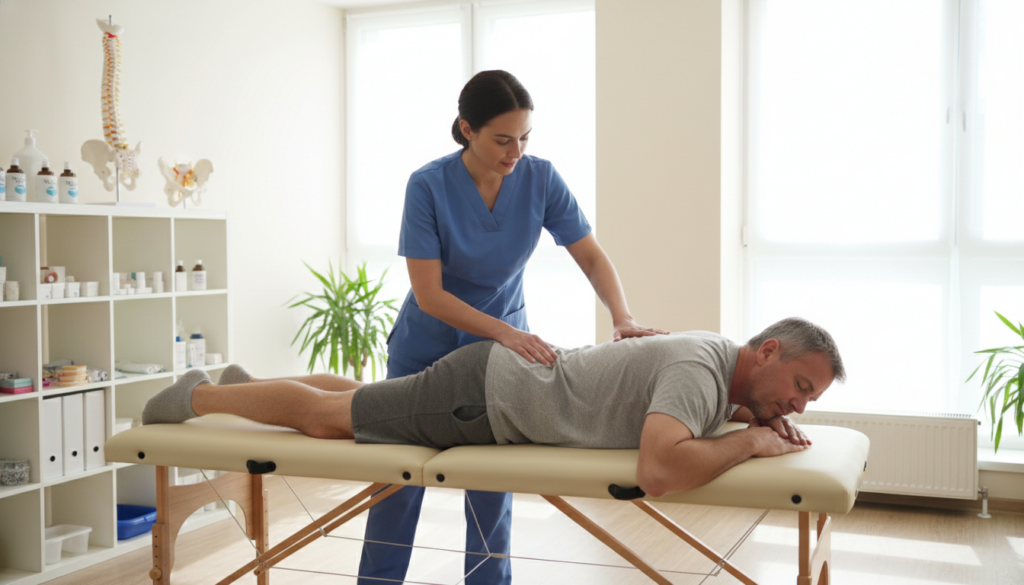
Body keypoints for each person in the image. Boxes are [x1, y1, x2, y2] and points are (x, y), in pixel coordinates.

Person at [371, 68, 665, 583]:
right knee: (396, 486)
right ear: (467, 129)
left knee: (490, 487)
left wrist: (623, 317)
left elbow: (592, 258)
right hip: (426, 346)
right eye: (502, 139)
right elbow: (429, 294)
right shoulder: (428, 185)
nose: (516, 152)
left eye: (525, 137)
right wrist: (506, 332)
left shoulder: (540, 178)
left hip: (496, 359)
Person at [143, 317, 846, 500]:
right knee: (335, 418)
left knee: (362, 398)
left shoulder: (719, 366)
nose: (798, 405)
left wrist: (752, 419)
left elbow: (695, 421)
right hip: (481, 402)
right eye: (801, 385)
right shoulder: (701, 370)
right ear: (769, 349)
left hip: (492, 385)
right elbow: (660, 470)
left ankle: (244, 383)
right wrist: (752, 444)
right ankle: (198, 396)